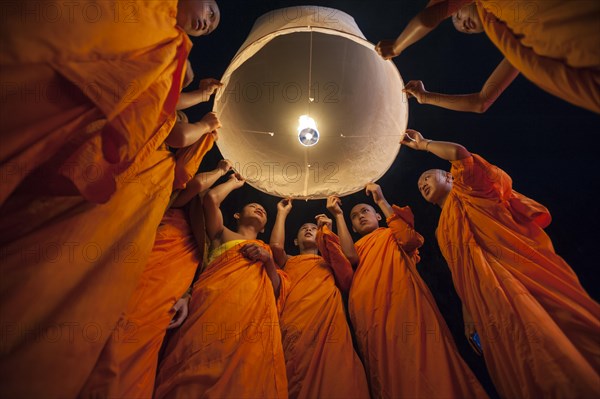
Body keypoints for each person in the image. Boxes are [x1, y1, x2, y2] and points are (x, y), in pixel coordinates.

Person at [0, 2, 221, 397]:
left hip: (129, 202)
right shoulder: (153, 29)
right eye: (210, 11)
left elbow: (166, 114)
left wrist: (200, 111)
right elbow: (168, 121)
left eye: (210, 28)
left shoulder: (171, 58)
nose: (207, 24)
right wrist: (204, 119)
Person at [401, 128, 600, 398]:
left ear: (448, 177)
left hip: (518, 277)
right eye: (419, 186)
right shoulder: (440, 231)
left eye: (427, 177)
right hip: (486, 301)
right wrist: (468, 314)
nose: (422, 184)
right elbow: (460, 273)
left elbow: (461, 155)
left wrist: (424, 144)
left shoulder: (471, 189)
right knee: (519, 357)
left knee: (551, 337)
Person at [79, 159, 233, 399]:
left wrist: (187, 295)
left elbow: (196, 275)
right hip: (141, 276)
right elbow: (197, 186)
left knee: (140, 353)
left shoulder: (203, 245)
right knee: (113, 339)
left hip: (167, 298)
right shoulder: (175, 205)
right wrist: (221, 171)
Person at [328, 189, 488, 398]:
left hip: (405, 303)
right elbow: (349, 257)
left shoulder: (392, 233)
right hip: (370, 316)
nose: (360, 217)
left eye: (365, 211)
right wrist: (338, 215)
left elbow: (410, 240)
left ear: (378, 216)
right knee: (388, 368)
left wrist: (381, 200)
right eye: (355, 217)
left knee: (427, 356)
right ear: (353, 228)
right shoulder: (357, 247)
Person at [153, 175, 289, 398]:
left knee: (245, 375)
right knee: (196, 362)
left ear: (264, 228)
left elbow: (276, 289)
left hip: (250, 320)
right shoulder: (222, 234)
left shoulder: (266, 250)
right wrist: (234, 182)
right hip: (211, 306)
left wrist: (267, 259)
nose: (259, 208)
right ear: (237, 215)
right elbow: (211, 199)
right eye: (253, 206)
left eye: (263, 211)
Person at [375, 0, 600, 113]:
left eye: (457, 16)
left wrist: (396, 46)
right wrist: (425, 97)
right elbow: (481, 102)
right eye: (466, 29)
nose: (463, 24)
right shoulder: (517, 44)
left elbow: (428, 17)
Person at [269, 198, 370, 399]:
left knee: (339, 378)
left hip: (329, 329)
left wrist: (328, 234)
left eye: (313, 228)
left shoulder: (328, 261)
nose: (308, 229)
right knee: (296, 377)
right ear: (296, 241)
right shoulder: (289, 261)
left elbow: (347, 275)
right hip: (295, 325)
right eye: (303, 229)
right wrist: (281, 213)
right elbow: (275, 248)